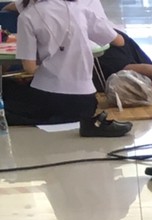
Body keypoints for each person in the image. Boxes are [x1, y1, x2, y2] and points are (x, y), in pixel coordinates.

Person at [7, 0, 130, 134]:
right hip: (86, 103)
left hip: (48, 100)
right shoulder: (80, 9)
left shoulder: (27, 16)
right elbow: (119, 41)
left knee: (8, 88)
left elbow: (29, 68)